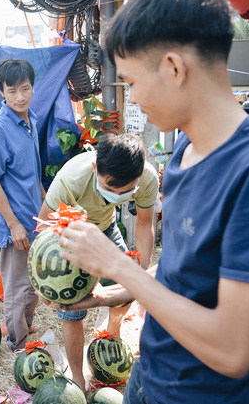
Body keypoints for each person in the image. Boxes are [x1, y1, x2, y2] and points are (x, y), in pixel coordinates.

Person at [46, 0, 249, 404]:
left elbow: (235, 350)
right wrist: (105, 297)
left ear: (173, 67)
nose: (131, 97)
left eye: (131, 82)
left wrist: (119, 264)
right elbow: (181, 275)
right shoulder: (186, 150)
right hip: (150, 376)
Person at [37, 133, 158, 392]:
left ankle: (111, 333)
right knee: (72, 308)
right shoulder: (72, 179)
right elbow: (45, 225)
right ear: (95, 168)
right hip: (70, 234)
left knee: (124, 291)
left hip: (106, 228)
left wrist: (144, 270)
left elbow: (145, 223)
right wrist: (46, 276)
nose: (117, 195)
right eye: (110, 188)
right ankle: (78, 376)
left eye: (125, 192)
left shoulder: (147, 178)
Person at [0, 59, 45, 350]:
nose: (20, 96)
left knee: (33, 281)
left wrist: (46, 204)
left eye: (25, 88)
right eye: (12, 90)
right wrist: (14, 224)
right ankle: (18, 343)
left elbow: (33, 171)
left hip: (35, 217)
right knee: (17, 286)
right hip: (15, 221)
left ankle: (27, 326)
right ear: (2, 93)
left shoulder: (33, 120)